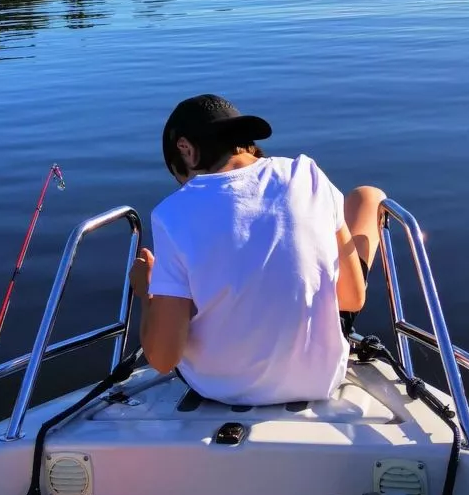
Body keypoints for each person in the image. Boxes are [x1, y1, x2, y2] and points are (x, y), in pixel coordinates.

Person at [128, 94, 386, 405]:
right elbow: (352, 297)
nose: (183, 186)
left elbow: (163, 359)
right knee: (368, 196)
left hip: (218, 388)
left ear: (186, 149)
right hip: (320, 379)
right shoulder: (308, 174)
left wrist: (148, 294)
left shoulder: (172, 213)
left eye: (178, 175)